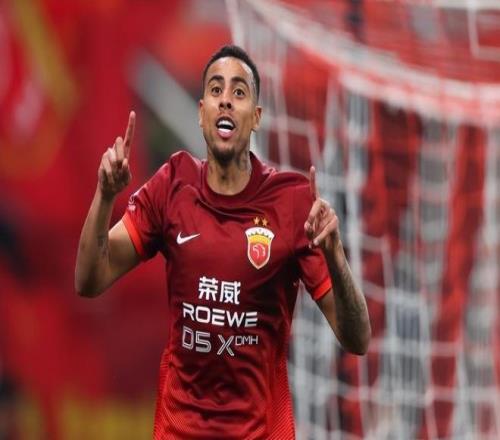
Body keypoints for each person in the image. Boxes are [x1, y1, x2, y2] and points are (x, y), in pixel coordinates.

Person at [75, 45, 371, 439]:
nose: (226, 100)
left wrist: (335, 256)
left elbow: (358, 338)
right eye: (216, 90)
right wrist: (104, 195)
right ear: (201, 113)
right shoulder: (172, 184)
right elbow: (89, 279)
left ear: (256, 117)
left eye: (239, 92)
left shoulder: (293, 203)